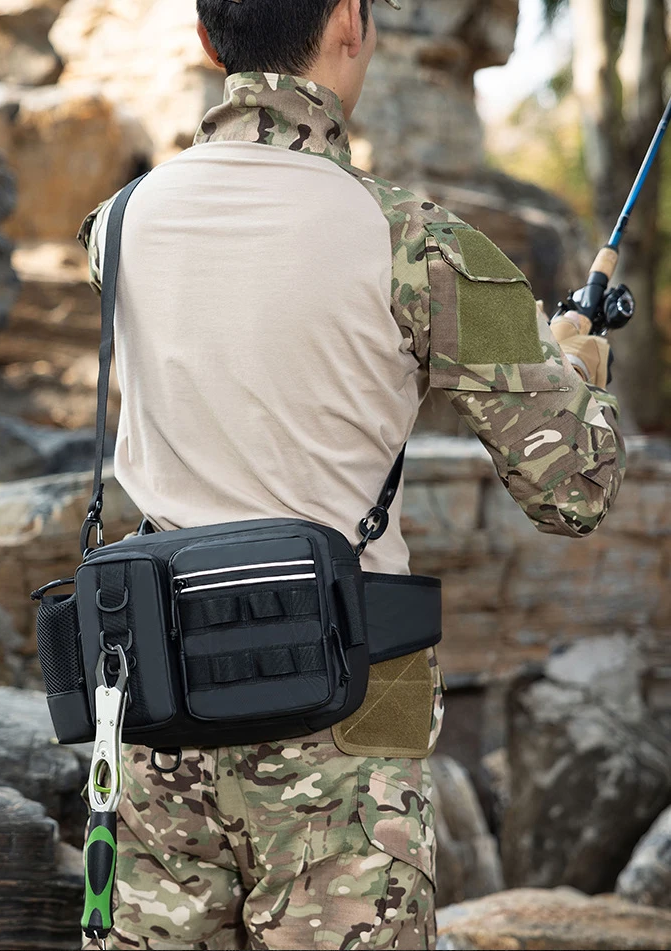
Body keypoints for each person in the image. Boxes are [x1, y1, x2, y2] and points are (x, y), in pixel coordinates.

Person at [77, 1, 626, 947]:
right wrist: (577, 367)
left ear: (207, 41)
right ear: (349, 23)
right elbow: (575, 483)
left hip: (157, 710)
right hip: (350, 724)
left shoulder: (117, 226)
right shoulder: (423, 243)